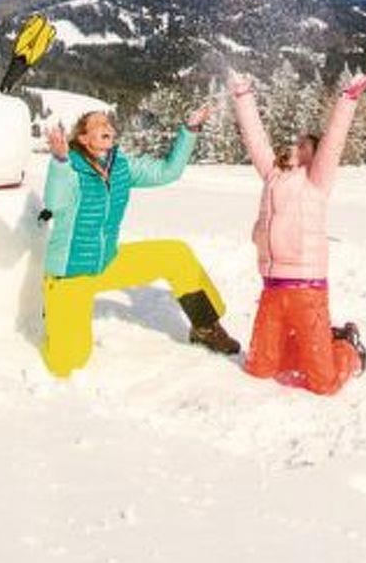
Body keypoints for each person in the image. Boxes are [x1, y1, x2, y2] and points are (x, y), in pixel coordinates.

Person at [41, 105, 239, 377]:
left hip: (107, 261)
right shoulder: (70, 166)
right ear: (84, 138)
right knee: (68, 363)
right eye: (98, 123)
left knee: (176, 255)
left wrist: (190, 130)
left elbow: (167, 172)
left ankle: (205, 327)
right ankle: (56, 310)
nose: (107, 126)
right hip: (70, 273)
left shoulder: (121, 166)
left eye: (108, 123)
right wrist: (59, 162)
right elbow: (54, 203)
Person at [228, 66, 366, 396]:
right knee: (259, 368)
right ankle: (318, 343)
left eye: (304, 146)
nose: (295, 148)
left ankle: (348, 348)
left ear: (315, 158)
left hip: (308, 291)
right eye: (295, 144)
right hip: (272, 289)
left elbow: (334, 142)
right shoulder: (272, 176)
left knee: (323, 384)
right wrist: (242, 95)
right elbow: (256, 138)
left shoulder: (316, 182)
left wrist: (348, 99)